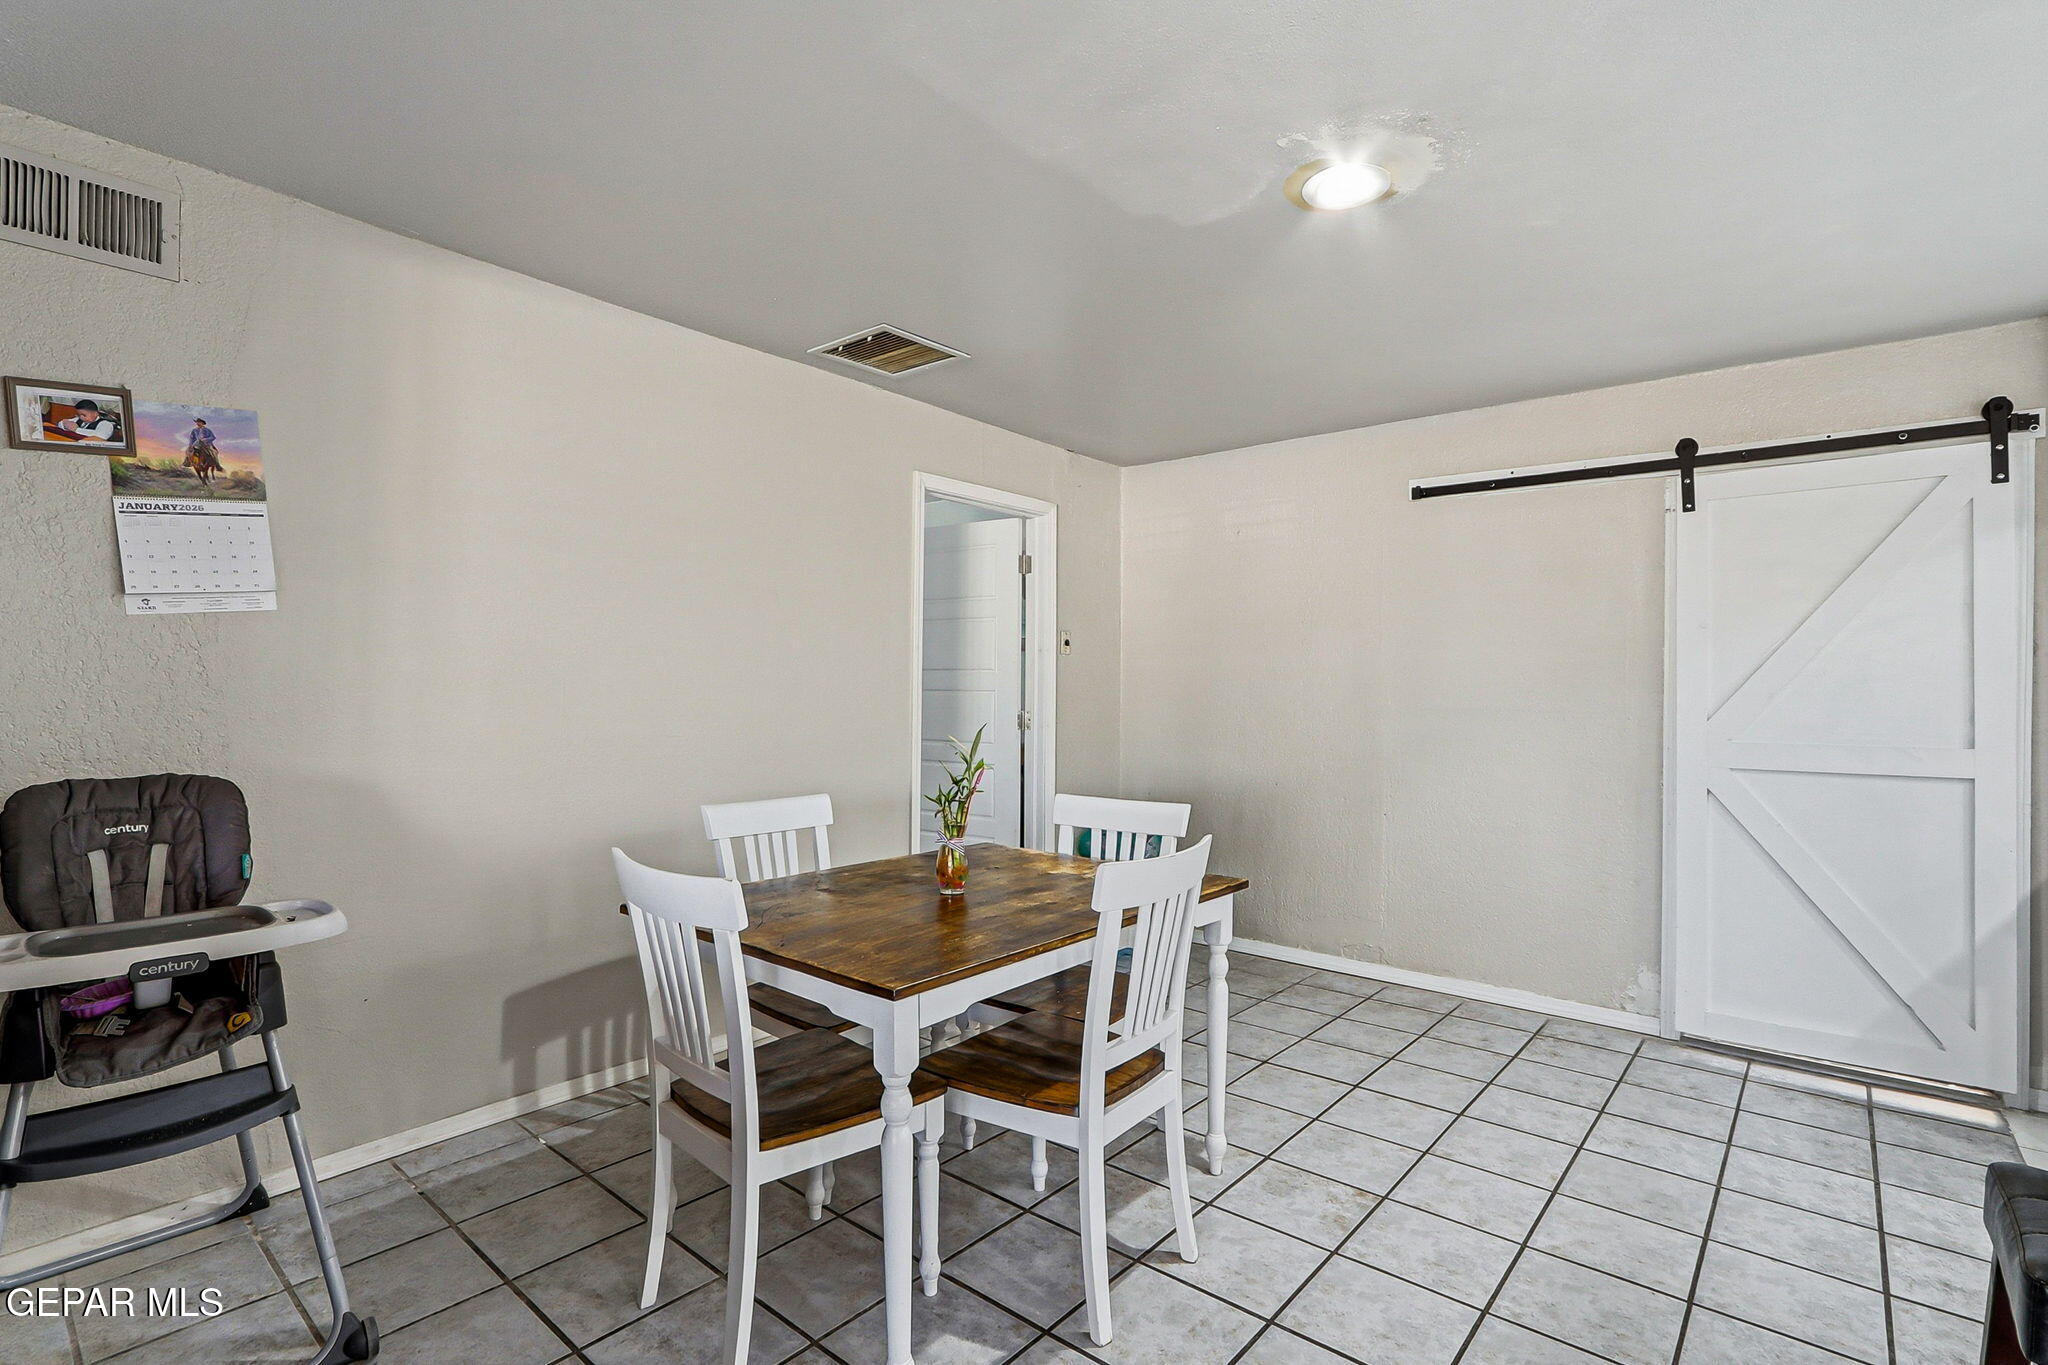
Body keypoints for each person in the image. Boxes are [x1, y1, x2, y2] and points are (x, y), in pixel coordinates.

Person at [54, 398, 118, 443]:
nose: (81, 417)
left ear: (96, 414)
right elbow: (61, 423)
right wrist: (64, 423)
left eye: (84, 415)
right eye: (79, 415)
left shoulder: (106, 424)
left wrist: (76, 430)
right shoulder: (79, 419)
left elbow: (99, 436)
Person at [184, 416, 223, 485]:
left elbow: (213, 437)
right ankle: (187, 461)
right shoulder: (194, 430)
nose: (198, 423)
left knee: (213, 452)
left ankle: (217, 465)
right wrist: (190, 445)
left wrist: (205, 439)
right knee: (188, 451)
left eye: (199, 422)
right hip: (196, 444)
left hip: (206, 444)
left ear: (203, 423)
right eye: (197, 422)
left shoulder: (207, 430)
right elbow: (191, 438)